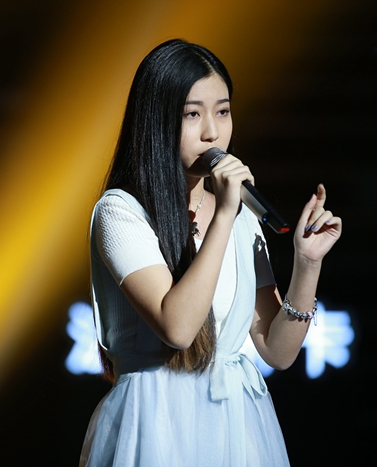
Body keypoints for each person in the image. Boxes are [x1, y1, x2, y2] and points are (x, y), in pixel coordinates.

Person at [79, 39, 342, 467]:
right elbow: (179, 328)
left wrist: (308, 264)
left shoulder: (237, 215)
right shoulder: (120, 212)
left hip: (236, 424)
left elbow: (277, 351)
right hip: (154, 422)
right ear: (156, 121)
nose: (212, 133)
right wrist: (224, 215)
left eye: (222, 112)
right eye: (192, 114)